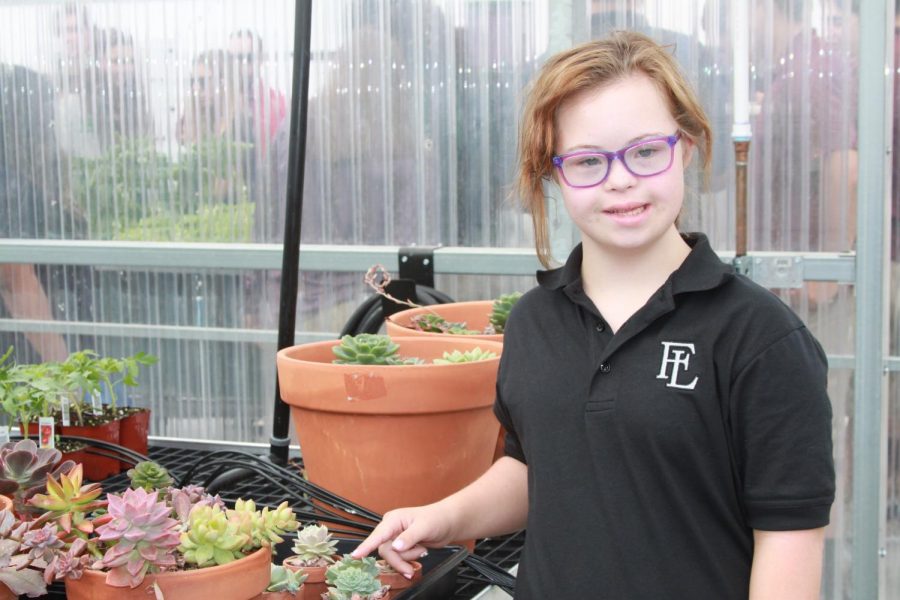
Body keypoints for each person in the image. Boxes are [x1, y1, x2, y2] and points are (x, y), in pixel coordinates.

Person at [352, 31, 835, 599]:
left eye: (645, 151)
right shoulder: (535, 322)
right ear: (553, 174)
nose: (621, 179)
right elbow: (539, 469)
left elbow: (791, 539)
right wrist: (443, 518)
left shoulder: (759, 337)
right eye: (588, 161)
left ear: (683, 146)